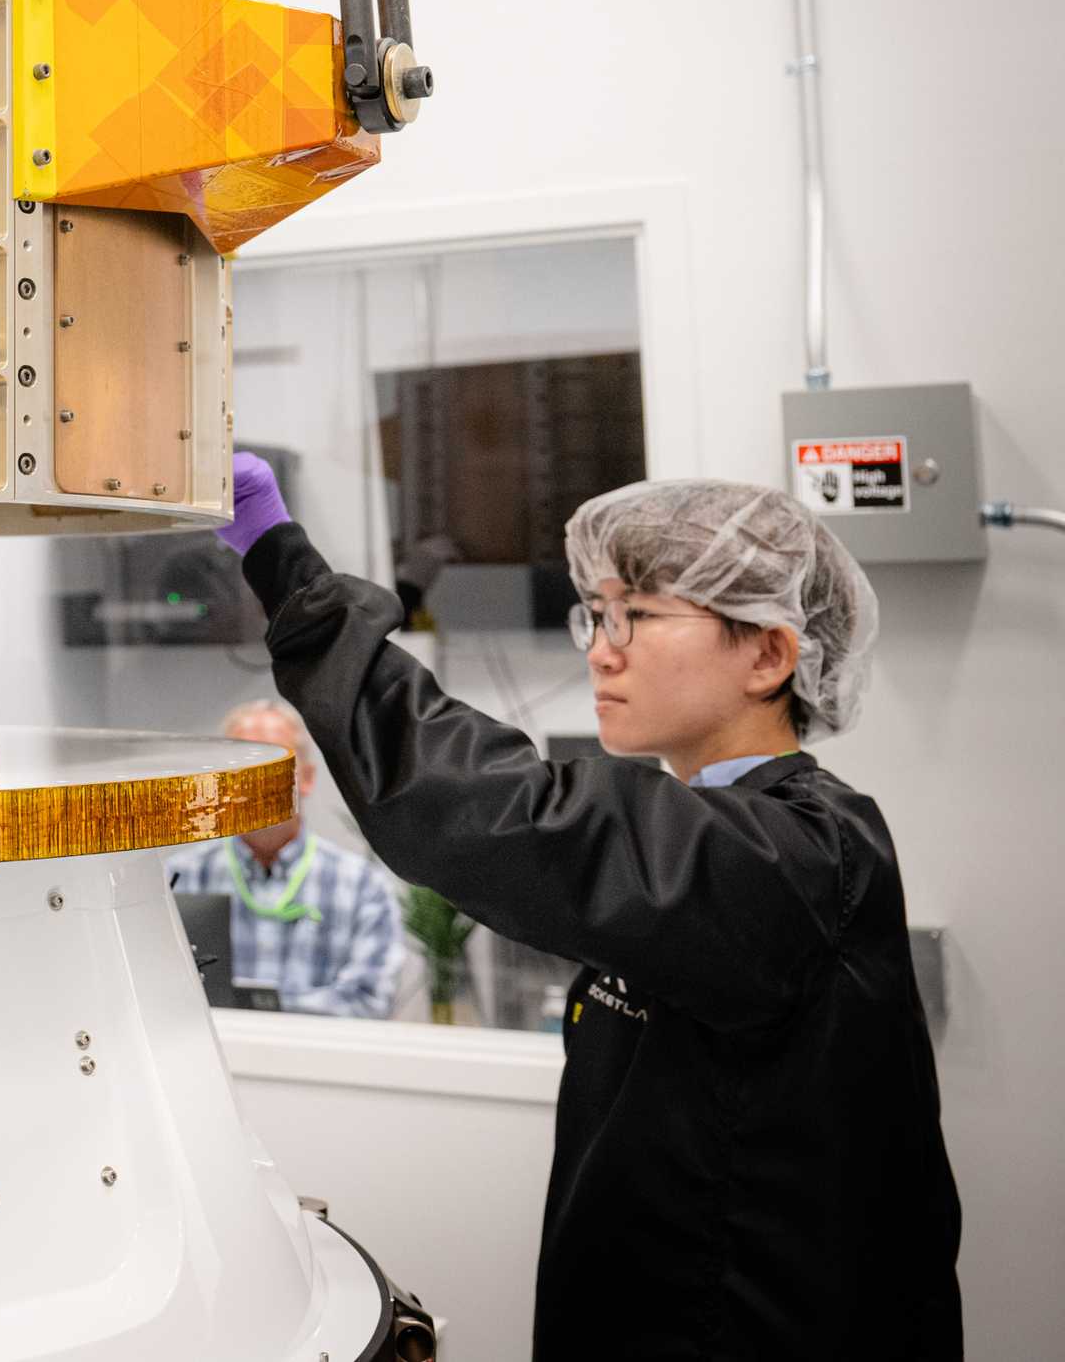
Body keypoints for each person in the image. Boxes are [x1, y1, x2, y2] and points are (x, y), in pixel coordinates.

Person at [219, 455, 960, 1358]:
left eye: (638, 616)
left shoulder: (796, 857)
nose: (602, 649)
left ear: (768, 654)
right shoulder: (720, 839)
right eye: (597, 615)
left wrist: (281, 560)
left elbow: (496, 809)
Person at [166, 699, 404, 1017]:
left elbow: (369, 1001)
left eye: (273, 764)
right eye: (240, 765)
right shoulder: (180, 879)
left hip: (316, 1064)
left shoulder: (361, 886)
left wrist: (256, 1011)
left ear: (306, 778)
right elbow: (155, 991)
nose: (256, 781)